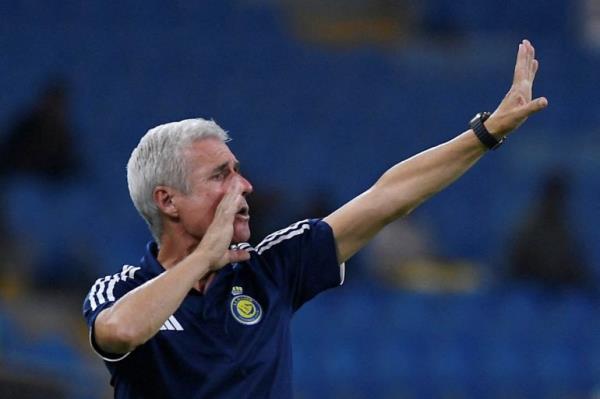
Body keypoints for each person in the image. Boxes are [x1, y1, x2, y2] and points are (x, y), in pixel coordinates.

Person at [83, 39, 548, 398]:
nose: (243, 187)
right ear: (168, 201)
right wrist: (204, 257)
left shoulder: (270, 267)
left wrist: (485, 135)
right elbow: (119, 333)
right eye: (220, 176)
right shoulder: (121, 290)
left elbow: (387, 198)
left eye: (239, 173)